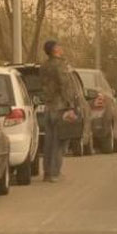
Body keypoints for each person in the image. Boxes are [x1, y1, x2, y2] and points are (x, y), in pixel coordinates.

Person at [40, 40, 78, 182]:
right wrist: (70, 106)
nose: (61, 48)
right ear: (55, 49)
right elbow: (65, 86)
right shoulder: (60, 65)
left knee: (48, 142)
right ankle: (55, 173)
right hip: (60, 107)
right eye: (59, 46)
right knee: (60, 141)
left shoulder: (43, 66)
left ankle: (47, 172)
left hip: (48, 107)